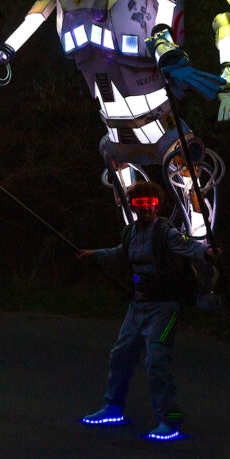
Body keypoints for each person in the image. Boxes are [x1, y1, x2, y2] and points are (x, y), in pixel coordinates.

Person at [78, 180, 216, 441]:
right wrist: (94, 254)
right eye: (140, 204)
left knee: (156, 361)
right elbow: (120, 253)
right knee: (120, 355)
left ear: (157, 205)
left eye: (150, 204)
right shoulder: (130, 232)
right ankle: (113, 407)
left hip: (164, 307)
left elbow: (188, 244)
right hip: (138, 304)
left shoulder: (166, 232)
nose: (146, 209)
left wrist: (208, 251)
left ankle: (169, 419)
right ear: (133, 206)